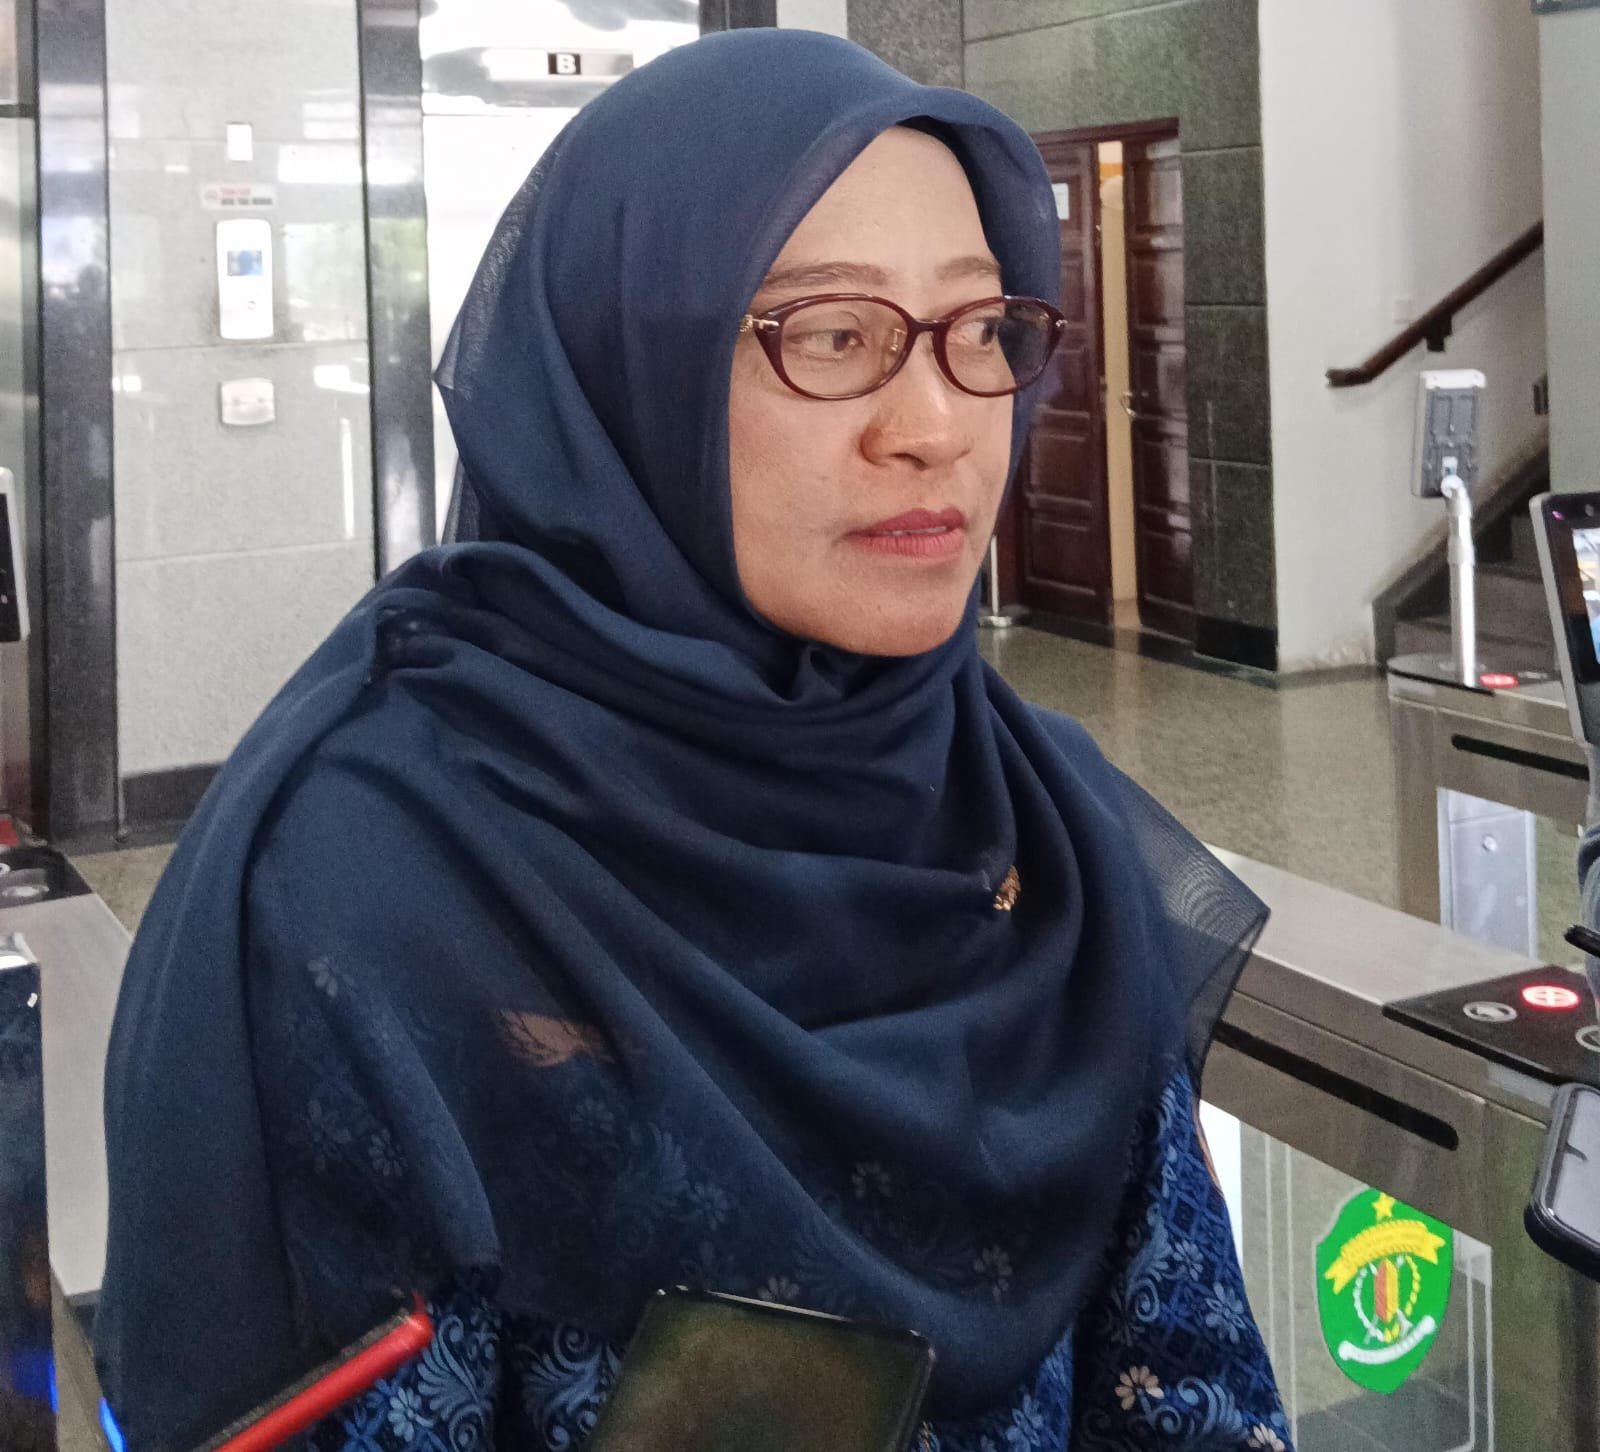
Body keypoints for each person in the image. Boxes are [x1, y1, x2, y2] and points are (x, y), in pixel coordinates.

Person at [95, 29, 1290, 1452]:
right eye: (833, 335)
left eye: (982, 333)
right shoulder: (378, 884)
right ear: (628, 375)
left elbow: (1189, 1388)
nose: (938, 427)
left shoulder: (1036, 824)